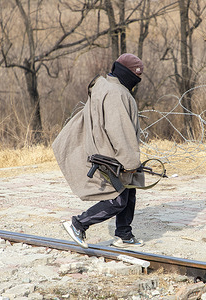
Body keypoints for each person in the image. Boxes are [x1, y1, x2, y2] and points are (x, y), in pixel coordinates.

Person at [52, 53, 145, 249]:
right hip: (112, 156)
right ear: (128, 76)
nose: (137, 82)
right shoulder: (116, 93)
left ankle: (124, 234)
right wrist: (130, 162)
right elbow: (119, 130)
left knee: (129, 192)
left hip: (113, 153)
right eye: (136, 77)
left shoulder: (106, 87)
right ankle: (78, 224)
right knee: (117, 199)